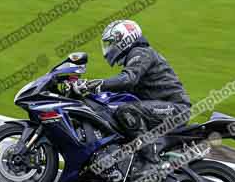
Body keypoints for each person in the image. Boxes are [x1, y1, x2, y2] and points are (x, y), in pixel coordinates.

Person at [72, 20, 191, 164]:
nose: (109, 48)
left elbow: (128, 79)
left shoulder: (141, 53)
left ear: (125, 39)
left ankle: (150, 160)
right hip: (163, 107)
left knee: (126, 110)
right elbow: (123, 87)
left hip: (175, 108)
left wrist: (97, 84)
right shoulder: (135, 56)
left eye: (111, 42)